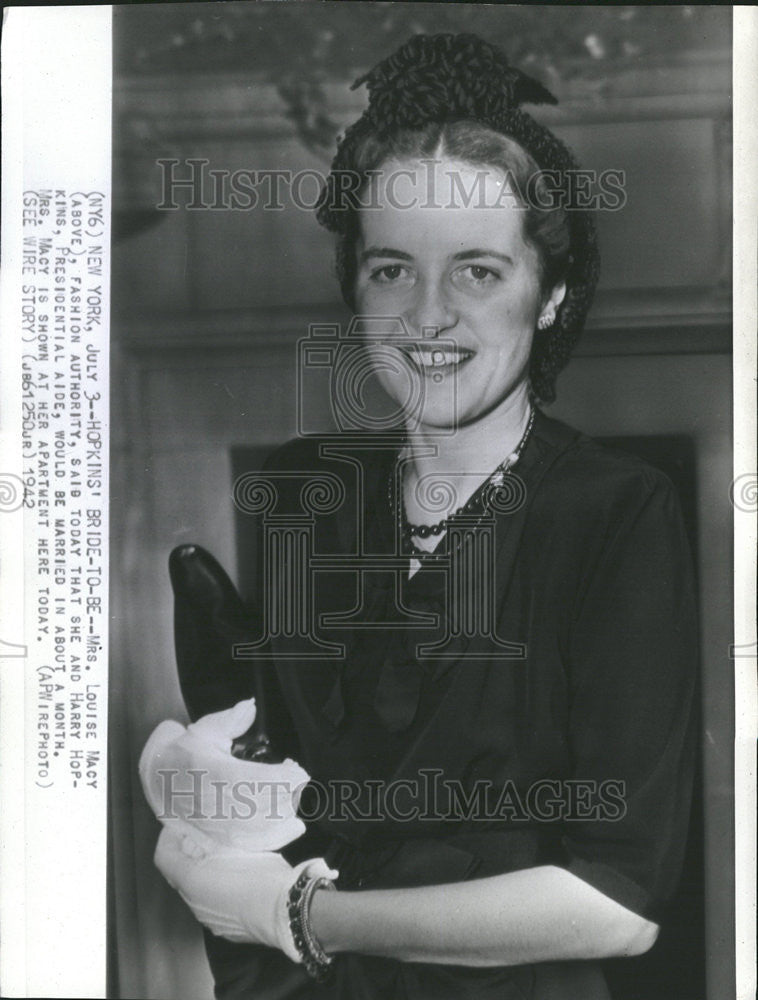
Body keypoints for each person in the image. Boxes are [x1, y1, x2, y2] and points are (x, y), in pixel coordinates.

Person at [147, 33, 698, 1000]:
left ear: (552, 294)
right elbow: (284, 794)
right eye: (392, 268)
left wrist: (300, 916)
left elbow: (619, 903)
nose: (428, 316)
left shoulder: (614, 515)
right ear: (354, 285)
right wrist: (204, 811)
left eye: (479, 271)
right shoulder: (303, 491)